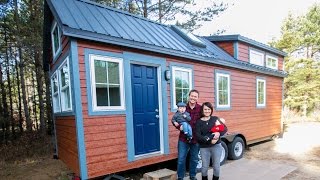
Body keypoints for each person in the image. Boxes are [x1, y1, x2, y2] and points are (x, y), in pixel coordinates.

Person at [173, 89, 201, 180]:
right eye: (192, 96)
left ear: (197, 98)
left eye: (195, 96)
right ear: (189, 96)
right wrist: (178, 127)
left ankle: (192, 176)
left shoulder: (200, 109)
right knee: (181, 159)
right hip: (183, 138)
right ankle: (180, 177)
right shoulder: (182, 107)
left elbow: (205, 120)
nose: (193, 98)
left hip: (196, 138)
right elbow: (175, 119)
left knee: (194, 159)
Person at [196, 102, 227, 180]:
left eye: (209, 109)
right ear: (202, 110)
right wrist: (210, 140)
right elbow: (198, 136)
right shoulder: (199, 122)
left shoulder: (215, 119)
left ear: (211, 110)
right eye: (205, 109)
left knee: (216, 166)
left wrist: (218, 133)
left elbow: (224, 129)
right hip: (204, 147)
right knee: (204, 167)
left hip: (216, 146)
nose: (207, 111)